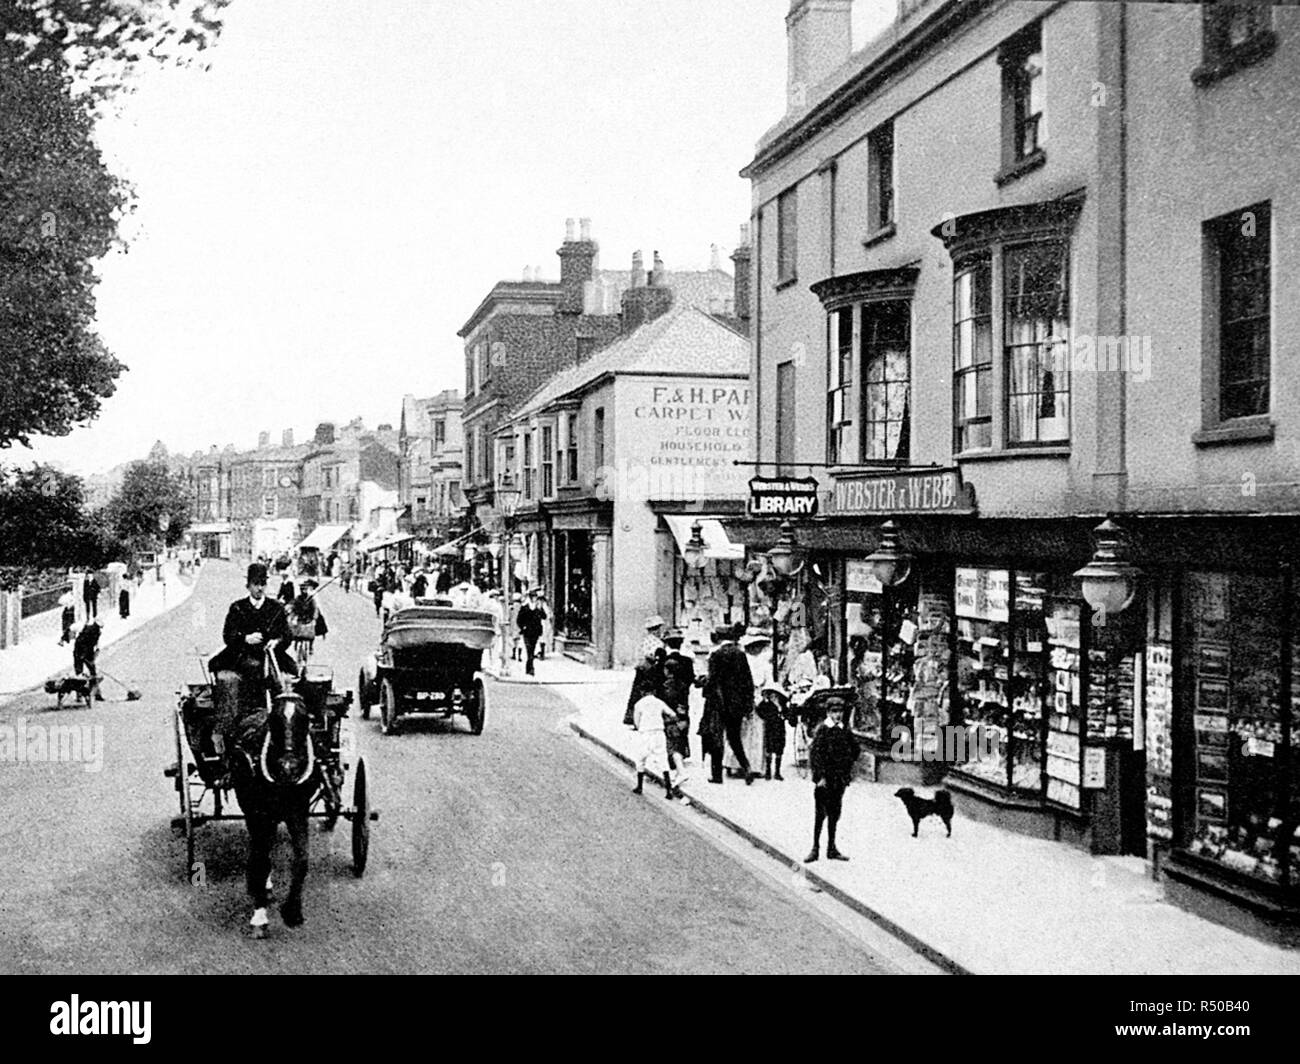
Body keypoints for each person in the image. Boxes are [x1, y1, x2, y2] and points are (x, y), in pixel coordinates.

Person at [209, 563, 297, 776]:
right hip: (240, 657)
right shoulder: (237, 608)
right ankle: (227, 731)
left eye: (263, 584)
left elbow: (286, 634)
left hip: (271, 657)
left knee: (287, 682)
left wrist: (276, 642)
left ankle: (287, 732)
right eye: (256, 585)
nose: (260, 588)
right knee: (229, 682)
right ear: (248, 586)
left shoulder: (275, 607)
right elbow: (228, 636)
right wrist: (244, 638)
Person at [805, 696, 860, 863]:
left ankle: (832, 847)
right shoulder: (823, 730)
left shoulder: (845, 730)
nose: (838, 715)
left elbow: (855, 750)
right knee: (820, 814)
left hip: (839, 779)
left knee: (835, 813)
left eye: (840, 712)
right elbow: (815, 755)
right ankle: (815, 848)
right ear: (828, 712)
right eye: (834, 712)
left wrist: (847, 766)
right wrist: (819, 776)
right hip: (825, 779)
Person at [706, 624, 756, 784]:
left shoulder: (716, 655)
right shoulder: (740, 654)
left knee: (716, 738)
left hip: (719, 703)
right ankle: (746, 767)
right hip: (737, 704)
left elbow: (713, 681)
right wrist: (748, 704)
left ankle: (717, 775)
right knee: (734, 738)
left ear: (719, 638)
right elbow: (748, 681)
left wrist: (704, 688)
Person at [631, 686, 683, 800]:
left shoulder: (639, 704)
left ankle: (639, 786)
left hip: (645, 734)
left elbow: (636, 723)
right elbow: (672, 714)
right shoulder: (659, 702)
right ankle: (668, 790)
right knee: (662, 760)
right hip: (659, 733)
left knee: (640, 759)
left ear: (642, 692)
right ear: (654, 691)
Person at [659, 628, 694, 763]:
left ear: (667, 644)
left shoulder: (664, 661)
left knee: (668, 724)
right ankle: (682, 750)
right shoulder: (687, 661)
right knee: (683, 721)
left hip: (666, 697)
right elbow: (691, 678)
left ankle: (671, 752)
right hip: (683, 697)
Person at [757, 682, 789, 781]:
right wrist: (768, 717)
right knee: (769, 749)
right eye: (771, 695)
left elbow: (788, 715)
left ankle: (777, 772)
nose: (773, 697)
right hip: (770, 728)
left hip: (780, 729)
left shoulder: (783, 705)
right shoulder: (766, 704)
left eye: (775, 695)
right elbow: (760, 711)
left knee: (779, 749)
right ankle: (768, 771)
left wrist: (784, 715)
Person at [515, 589, 546, 676]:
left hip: (536, 632)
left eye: (535, 597)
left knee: (532, 649)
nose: (534, 599)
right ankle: (531, 668)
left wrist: (540, 609)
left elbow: (544, 617)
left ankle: (529, 667)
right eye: (533, 597)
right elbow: (519, 619)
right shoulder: (525, 607)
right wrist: (523, 627)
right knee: (529, 649)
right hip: (527, 632)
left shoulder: (538, 608)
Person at [72, 620, 104, 701]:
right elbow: (78, 643)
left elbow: (97, 648)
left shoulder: (97, 634)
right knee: (79, 675)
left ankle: (97, 693)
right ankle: (79, 696)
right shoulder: (84, 630)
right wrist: (81, 656)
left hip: (89, 654)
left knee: (93, 673)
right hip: (78, 653)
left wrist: (93, 658)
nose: (97, 630)